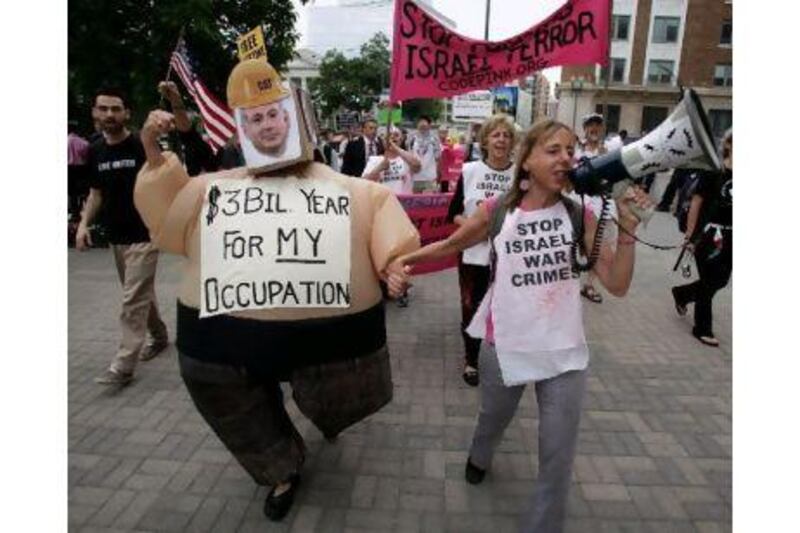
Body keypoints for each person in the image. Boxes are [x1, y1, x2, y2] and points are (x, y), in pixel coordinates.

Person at [134, 59, 419, 522]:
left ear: (292, 117)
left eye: (274, 113)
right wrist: (152, 150)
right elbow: (167, 223)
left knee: (342, 396)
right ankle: (280, 467)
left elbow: (385, 224)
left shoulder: (350, 190)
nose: (267, 124)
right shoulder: (213, 190)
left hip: (334, 340)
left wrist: (393, 265)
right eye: (256, 117)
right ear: (241, 127)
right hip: (222, 341)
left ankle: (329, 419)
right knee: (233, 401)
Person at [388, 119, 651, 532]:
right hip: (504, 345)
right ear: (526, 160)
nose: (565, 158)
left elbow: (616, 285)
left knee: (558, 456)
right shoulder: (498, 212)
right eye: (552, 150)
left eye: (569, 150)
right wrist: (403, 261)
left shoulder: (578, 214)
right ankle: (480, 453)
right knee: (494, 417)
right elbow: (452, 244)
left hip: (564, 354)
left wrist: (629, 230)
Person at [75, 88, 169, 385]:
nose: (109, 115)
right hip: (117, 237)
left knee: (132, 298)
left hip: (146, 233)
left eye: (116, 109)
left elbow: (163, 173)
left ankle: (123, 365)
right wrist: (82, 224)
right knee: (140, 294)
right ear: (94, 112)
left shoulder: (140, 144)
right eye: (103, 109)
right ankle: (160, 335)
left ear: (127, 113)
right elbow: (96, 193)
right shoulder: (95, 149)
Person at [446, 114, 517, 387]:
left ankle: (501, 353)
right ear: (485, 140)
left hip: (508, 256)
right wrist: (474, 228)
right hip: (472, 253)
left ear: (512, 142)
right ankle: (471, 360)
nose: (501, 139)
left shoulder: (519, 175)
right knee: (471, 305)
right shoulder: (470, 171)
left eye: (506, 135)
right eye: (496, 134)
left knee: (502, 307)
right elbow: (452, 214)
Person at [671, 129, 732, 346]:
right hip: (708, 234)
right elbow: (696, 202)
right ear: (729, 144)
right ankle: (702, 328)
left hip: (732, 235)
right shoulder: (714, 170)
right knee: (708, 281)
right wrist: (689, 234)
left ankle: (682, 294)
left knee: (721, 280)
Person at [570, 113, 618, 305]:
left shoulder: (609, 151)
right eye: (590, 125)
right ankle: (568, 282)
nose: (594, 129)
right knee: (572, 243)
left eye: (598, 125)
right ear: (585, 129)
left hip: (602, 203)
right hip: (578, 203)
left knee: (599, 244)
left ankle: (590, 285)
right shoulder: (575, 150)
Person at [361, 126, 420, 195]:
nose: (392, 137)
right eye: (389, 135)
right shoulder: (375, 160)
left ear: (401, 140)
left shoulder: (406, 159)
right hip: (383, 202)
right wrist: (379, 168)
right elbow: (363, 182)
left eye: (396, 135)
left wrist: (395, 147)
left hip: (403, 201)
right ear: (383, 140)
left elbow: (417, 166)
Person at [408, 115, 442, 193]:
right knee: (415, 202)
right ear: (417, 125)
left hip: (430, 177)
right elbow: (409, 156)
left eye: (424, 125)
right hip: (415, 177)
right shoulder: (412, 138)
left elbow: (438, 158)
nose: (422, 127)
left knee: (429, 202)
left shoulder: (434, 139)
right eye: (420, 125)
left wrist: (438, 176)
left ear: (429, 126)